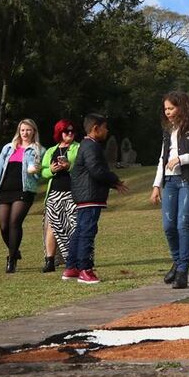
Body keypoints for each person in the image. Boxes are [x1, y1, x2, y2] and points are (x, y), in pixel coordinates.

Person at [150, 92, 189, 290]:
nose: (167, 112)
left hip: (188, 180)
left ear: (181, 107)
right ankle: (177, 262)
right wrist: (156, 185)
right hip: (170, 181)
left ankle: (183, 271)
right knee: (168, 225)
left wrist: (181, 159)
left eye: (171, 108)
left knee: (183, 223)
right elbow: (162, 159)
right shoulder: (169, 131)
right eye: (165, 109)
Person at [63, 113, 128, 284]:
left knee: (80, 231)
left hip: (85, 195)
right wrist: (115, 180)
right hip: (90, 196)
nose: (107, 131)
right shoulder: (91, 146)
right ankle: (85, 269)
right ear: (95, 128)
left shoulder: (86, 145)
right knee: (87, 232)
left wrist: (112, 183)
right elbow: (97, 170)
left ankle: (71, 267)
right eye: (105, 127)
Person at [0, 119, 44, 273]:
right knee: (3, 226)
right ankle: (15, 250)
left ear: (34, 131)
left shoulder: (39, 150)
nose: (25, 133)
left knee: (14, 222)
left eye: (28, 130)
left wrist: (35, 171)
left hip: (24, 190)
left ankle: (11, 259)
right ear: (19, 131)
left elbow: (40, 175)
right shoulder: (8, 148)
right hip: (4, 190)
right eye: (22, 130)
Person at [39, 119, 80, 273]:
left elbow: (83, 167)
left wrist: (69, 166)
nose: (70, 133)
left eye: (72, 131)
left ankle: (75, 258)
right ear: (59, 133)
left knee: (74, 225)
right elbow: (43, 172)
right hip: (54, 193)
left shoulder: (78, 147)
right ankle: (50, 260)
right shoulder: (51, 151)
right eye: (66, 131)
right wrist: (51, 169)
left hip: (72, 193)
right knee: (52, 226)